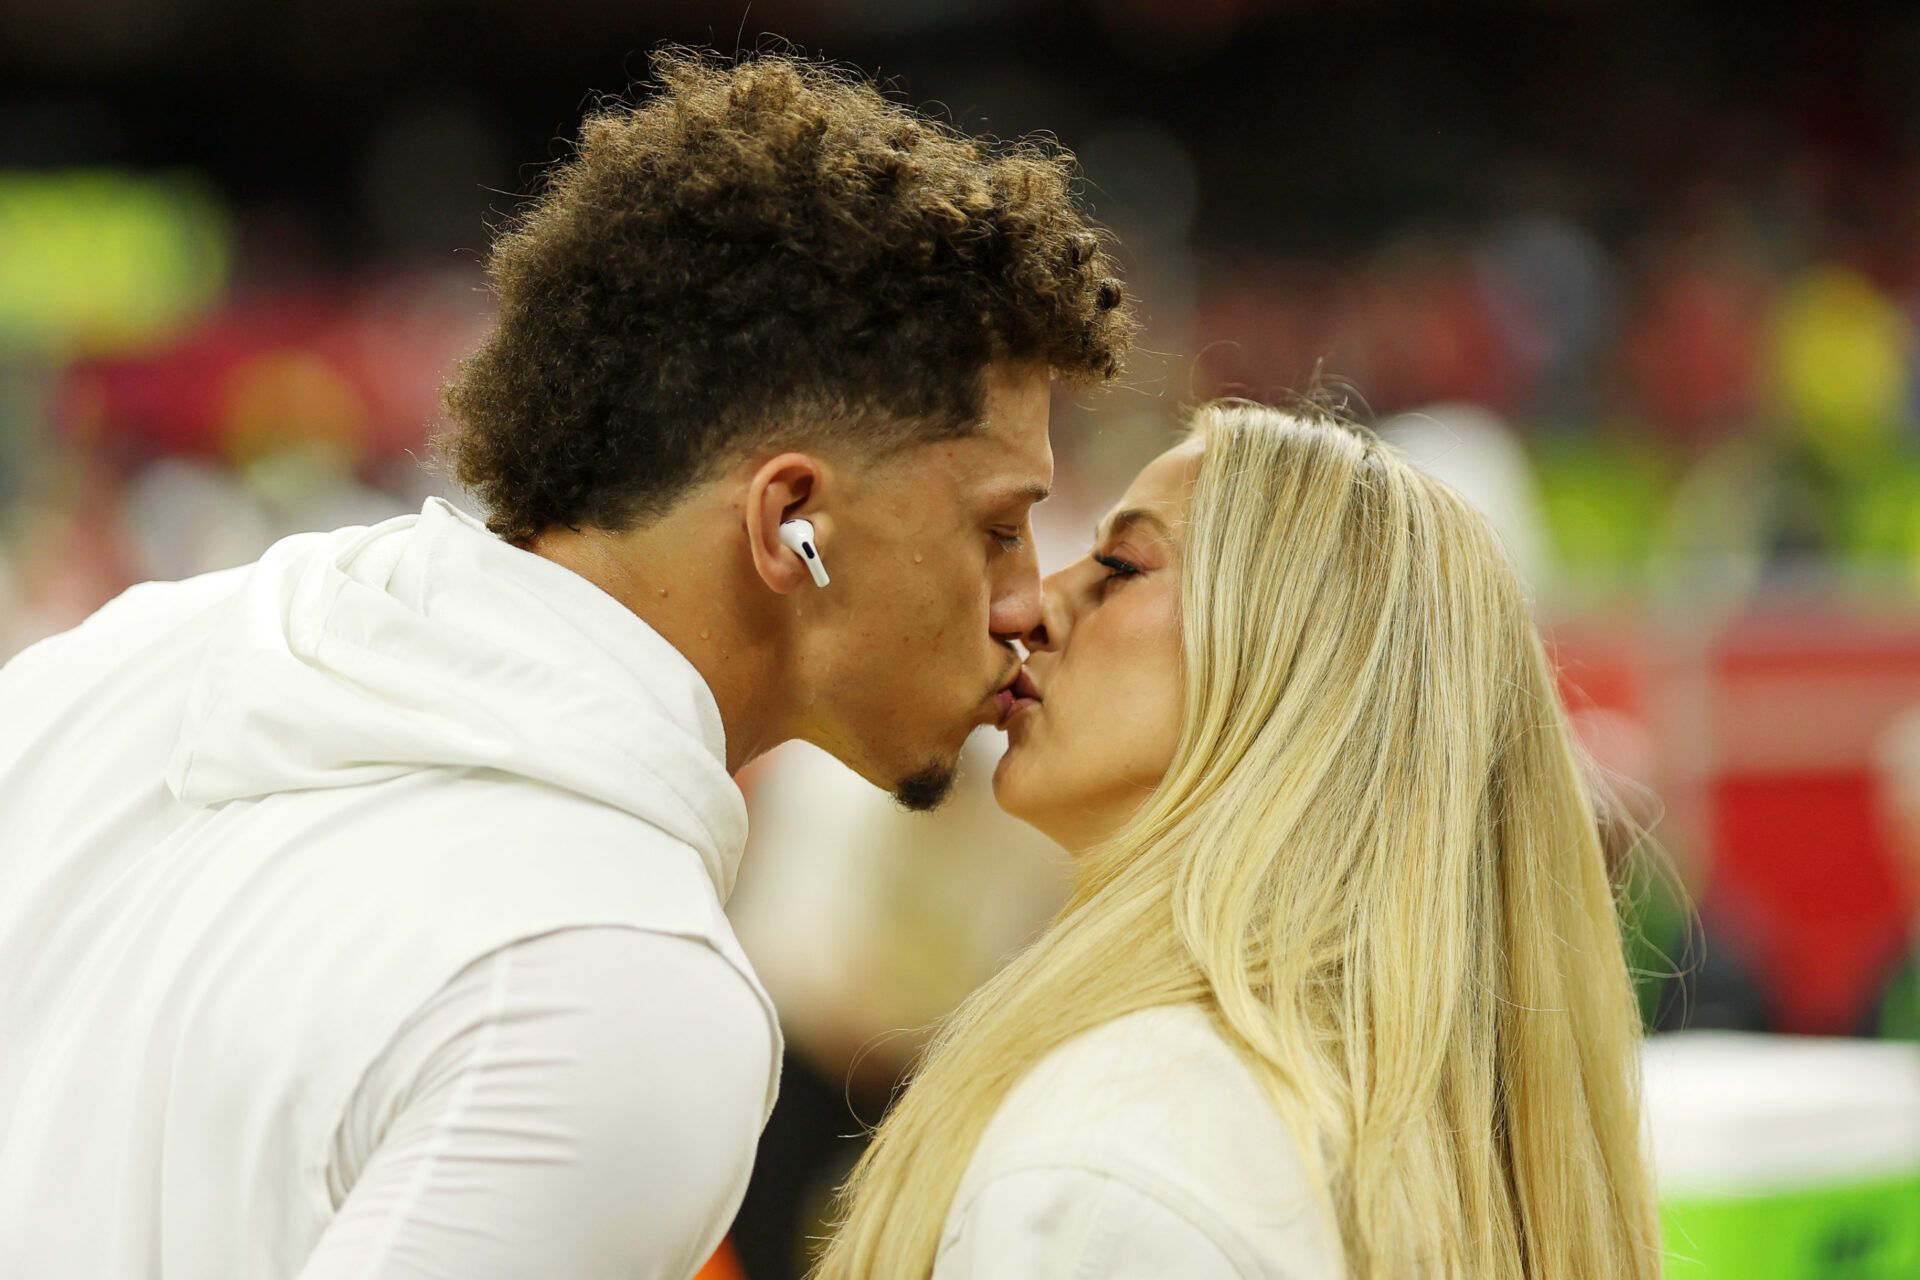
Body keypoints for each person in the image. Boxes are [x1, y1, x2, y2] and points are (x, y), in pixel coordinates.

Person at [0, 50, 1133, 1279]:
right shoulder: (622, 980)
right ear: (788, 523)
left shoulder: (124, 653)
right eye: (996, 527)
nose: (1028, 600)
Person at [817, 399, 1664, 1279]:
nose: (1031, 607)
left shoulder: (1121, 1154)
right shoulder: (1403, 1128)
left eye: (1119, 565)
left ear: (1301, 667)